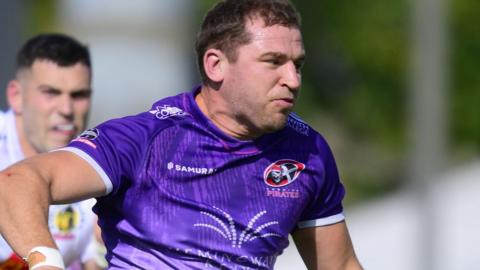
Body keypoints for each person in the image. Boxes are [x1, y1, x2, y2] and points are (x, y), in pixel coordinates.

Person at [0, 1, 362, 269]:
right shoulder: (147, 139)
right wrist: (46, 261)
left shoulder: (307, 151)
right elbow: (16, 183)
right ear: (215, 65)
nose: (293, 80)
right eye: (273, 62)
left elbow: (340, 265)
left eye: (297, 64)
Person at [0, 34, 105, 270]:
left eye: (78, 95)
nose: (66, 109)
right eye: (51, 93)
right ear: (16, 96)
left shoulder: (98, 170)